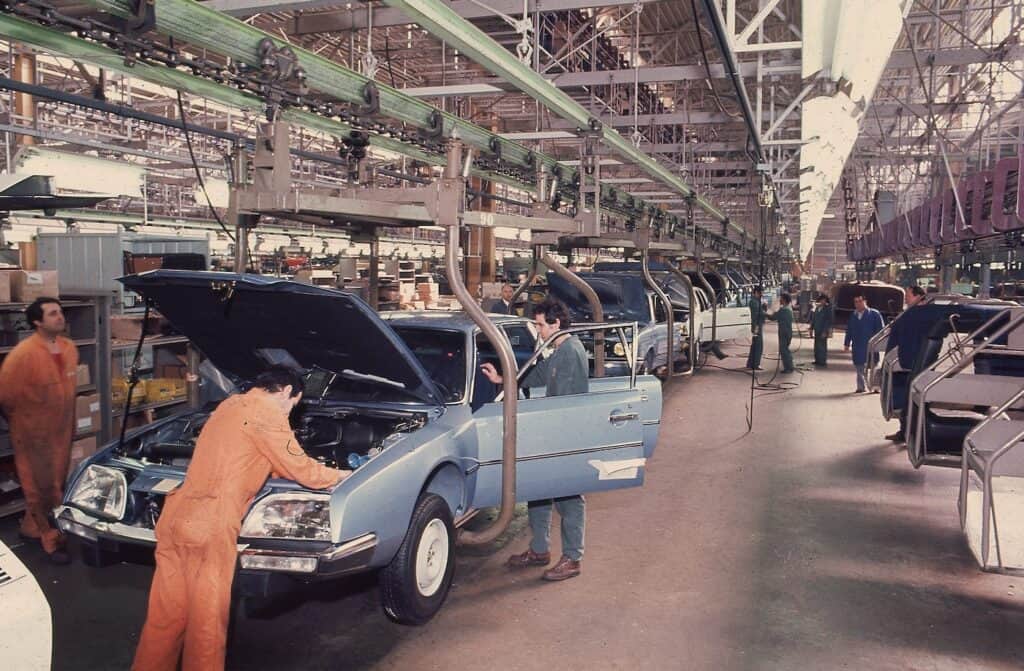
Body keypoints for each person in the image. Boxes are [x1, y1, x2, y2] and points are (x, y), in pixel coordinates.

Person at [132, 367, 347, 671]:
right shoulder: (269, 415)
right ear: (286, 392)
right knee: (207, 624)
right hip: (210, 525)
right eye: (293, 405)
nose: (290, 414)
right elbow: (304, 471)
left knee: (164, 618)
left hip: (175, 517)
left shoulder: (229, 404)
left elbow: (246, 455)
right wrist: (343, 475)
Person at [480, 298, 588, 582]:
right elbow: (537, 374)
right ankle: (540, 550)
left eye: (541, 325)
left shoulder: (570, 353)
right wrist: (503, 378)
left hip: (564, 436)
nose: (538, 330)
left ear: (556, 324)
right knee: (538, 491)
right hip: (551, 433)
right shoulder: (557, 350)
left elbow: (563, 405)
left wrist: (543, 434)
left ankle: (573, 558)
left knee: (568, 498)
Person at [0, 297, 78, 564]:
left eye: (61, 312)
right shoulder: (22, 355)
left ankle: (30, 528)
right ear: (37, 321)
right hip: (33, 433)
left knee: (56, 483)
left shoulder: (69, 348)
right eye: (53, 313)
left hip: (62, 430)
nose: (60, 317)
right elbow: (6, 396)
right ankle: (49, 539)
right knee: (39, 489)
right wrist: (27, 425)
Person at [884, 285, 928, 442]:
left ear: (919, 296)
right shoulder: (909, 314)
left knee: (912, 401)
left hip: (915, 365)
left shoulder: (917, 315)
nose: (906, 299)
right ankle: (905, 432)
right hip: (907, 363)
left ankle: (911, 434)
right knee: (906, 401)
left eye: (908, 296)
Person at [843, 294, 885, 393]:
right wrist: (847, 343)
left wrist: (879, 343)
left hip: (871, 345)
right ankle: (860, 387)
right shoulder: (853, 315)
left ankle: (875, 387)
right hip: (857, 345)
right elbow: (849, 330)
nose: (857, 304)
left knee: (873, 366)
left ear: (865, 301)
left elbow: (881, 330)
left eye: (860, 301)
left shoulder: (875, 314)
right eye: (856, 302)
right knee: (859, 367)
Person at [768, 292, 796, 373]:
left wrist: (764, 312)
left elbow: (772, 317)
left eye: (781, 298)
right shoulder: (788, 308)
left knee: (784, 350)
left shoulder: (783, 310)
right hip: (788, 332)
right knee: (786, 350)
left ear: (784, 299)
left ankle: (788, 368)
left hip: (784, 332)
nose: (780, 300)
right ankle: (790, 366)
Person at [745, 286, 766, 370]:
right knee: (758, 345)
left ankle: (750, 363)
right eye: (761, 293)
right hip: (756, 326)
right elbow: (757, 315)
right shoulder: (754, 302)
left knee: (754, 345)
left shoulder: (756, 301)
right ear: (756, 292)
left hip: (757, 325)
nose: (762, 294)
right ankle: (756, 364)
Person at [809, 294, 834, 367]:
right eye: (821, 300)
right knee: (816, 345)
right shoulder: (817, 308)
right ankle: (817, 360)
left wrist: (825, 331)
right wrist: (811, 328)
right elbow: (814, 319)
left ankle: (822, 361)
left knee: (822, 346)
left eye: (824, 300)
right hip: (817, 329)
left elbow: (828, 321)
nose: (822, 301)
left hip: (823, 330)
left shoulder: (828, 309)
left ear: (826, 301)